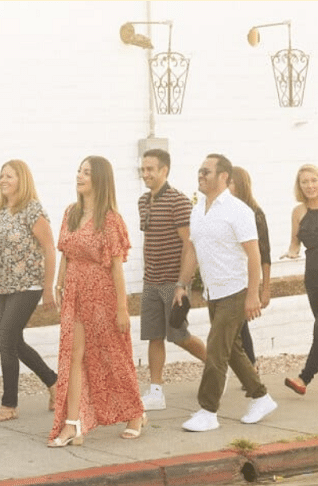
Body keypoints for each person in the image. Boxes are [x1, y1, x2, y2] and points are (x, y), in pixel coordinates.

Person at [175, 154, 276, 432]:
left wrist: (253, 294)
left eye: (206, 171)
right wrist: (181, 285)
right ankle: (261, 396)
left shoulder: (238, 210)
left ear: (224, 177)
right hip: (213, 291)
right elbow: (192, 250)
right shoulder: (198, 210)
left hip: (236, 289)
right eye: (199, 171)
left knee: (217, 350)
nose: (200, 175)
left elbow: (254, 255)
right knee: (232, 350)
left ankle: (208, 411)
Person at [48, 156, 145, 447]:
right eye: (79, 170)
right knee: (73, 357)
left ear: (99, 180)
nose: (80, 176)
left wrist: (122, 309)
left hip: (102, 295)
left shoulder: (111, 219)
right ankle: (71, 423)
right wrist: (59, 282)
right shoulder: (71, 213)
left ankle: (136, 413)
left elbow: (116, 267)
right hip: (75, 293)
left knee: (114, 356)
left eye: (87, 173)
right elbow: (66, 251)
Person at [0, 160, 58, 422]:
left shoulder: (32, 210)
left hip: (29, 284)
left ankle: (9, 404)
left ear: (21, 180)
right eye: (1, 175)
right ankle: (54, 383)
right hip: (4, 285)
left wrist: (49, 288)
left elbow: (49, 247)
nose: (3, 180)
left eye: (9, 176)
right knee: (14, 341)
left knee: (5, 340)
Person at [138, 149, 207, 411]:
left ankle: (215, 368)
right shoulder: (143, 201)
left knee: (178, 336)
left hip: (172, 282)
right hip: (150, 281)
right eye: (143, 169)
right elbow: (150, 239)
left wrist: (182, 284)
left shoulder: (178, 202)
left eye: (150, 169)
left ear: (164, 170)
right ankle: (156, 392)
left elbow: (189, 245)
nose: (146, 174)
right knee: (154, 336)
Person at [229, 166, 271, 372]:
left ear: (239, 184)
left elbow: (265, 254)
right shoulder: (227, 212)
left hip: (247, 278)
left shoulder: (255, 213)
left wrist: (265, 288)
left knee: (239, 325)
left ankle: (251, 368)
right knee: (238, 326)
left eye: (230, 182)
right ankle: (250, 368)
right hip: (232, 276)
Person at [281, 164, 318, 395]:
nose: (310, 186)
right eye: (305, 182)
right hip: (313, 271)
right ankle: (304, 378)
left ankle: (304, 378)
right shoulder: (298, 211)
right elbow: (295, 242)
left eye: (313, 180)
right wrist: (291, 252)